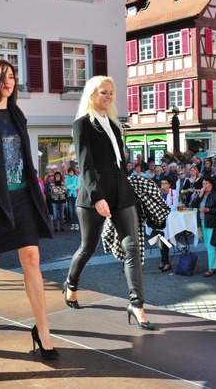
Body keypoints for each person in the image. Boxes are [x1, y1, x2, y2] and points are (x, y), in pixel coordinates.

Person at [0, 60, 58, 359]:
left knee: (31, 257)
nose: (10, 82)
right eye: (4, 77)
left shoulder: (17, 113)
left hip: (23, 197)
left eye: (13, 77)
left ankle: (43, 332)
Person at [63, 76, 154, 331]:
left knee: (132, 247)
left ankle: (136, 304)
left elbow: (119, 165)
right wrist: (97, 196)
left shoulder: (114, 126)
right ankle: (71, 283)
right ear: (92, 95)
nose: (108, 96)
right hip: (95, 196)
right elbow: (85, 164)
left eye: (111, 92)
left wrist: (127, 188)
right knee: (87, 248)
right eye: (103, 92)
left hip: (121, 194)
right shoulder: (82, 125)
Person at [191, 176, 216, 277]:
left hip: (211, 222)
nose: (205, 186)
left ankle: (211, 268)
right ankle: (215, 266)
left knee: (210, 245)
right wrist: (199, 196)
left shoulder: (215, 194)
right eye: (203, 184)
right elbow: (193, 205)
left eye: (207, 183)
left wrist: (208, 210)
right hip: (202, 222)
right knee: (207, 245)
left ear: (211, 184)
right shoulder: (202, 194)